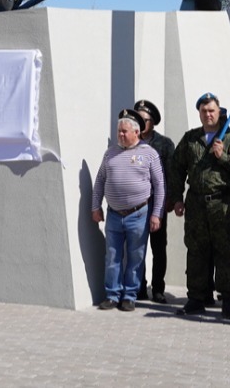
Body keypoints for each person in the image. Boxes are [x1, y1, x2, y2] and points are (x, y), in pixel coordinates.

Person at [169, 92, 230, 319]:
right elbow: (176, 168)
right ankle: (197, 298)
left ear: (219, 111)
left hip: (222, 204)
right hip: (196, 203)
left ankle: (228, 299)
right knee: (196, 251)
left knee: (225, 252)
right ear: (199, 113)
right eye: (204, 111)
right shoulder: (191, 139)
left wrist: (223, 156)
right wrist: (177, 198)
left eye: (212, 110)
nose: (208, 115)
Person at [90, 108, 165, 312]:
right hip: (114, 214)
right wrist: (95, 206)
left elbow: (159, 185)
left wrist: (156, 214)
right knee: (112, 257)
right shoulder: (110, 153)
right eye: (119, 131)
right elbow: (100, 181)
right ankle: (112, 295)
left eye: (124, 131)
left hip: (138, 214)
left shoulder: (149, 153)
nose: (121, 135)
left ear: (136, 132)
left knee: (135, 257)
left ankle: (130, 296)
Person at [133, 98, 175, 304]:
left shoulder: (164, 144)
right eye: (137, 119)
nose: (140, 124)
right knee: (136, 247)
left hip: (157, 203)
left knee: (158, 248)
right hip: (136, 205)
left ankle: (158, 288)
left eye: (144, 120)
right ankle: (139, 287)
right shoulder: (130, 143)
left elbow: (171, 174)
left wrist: (170, 199)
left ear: (153, 122)